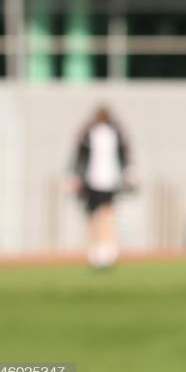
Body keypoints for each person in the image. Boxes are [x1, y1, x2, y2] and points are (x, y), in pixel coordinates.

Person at [65, 103, 135, 270]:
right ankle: (97, 251)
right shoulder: (89, 134)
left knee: (105, 215)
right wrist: (75, 176)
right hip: (92, 181)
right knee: (96, 217)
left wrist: (128, 171)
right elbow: (80, 157)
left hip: (109, 180)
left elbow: (123, 155)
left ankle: (107, 250)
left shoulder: (115, 133)